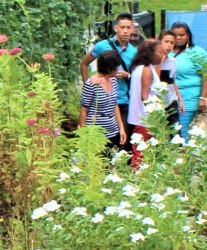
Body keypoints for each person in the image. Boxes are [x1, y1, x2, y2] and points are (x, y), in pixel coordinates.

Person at [81, 12, 138, 149]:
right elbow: (84, 63)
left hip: (123, 100)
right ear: (116, 28)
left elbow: (138, 75)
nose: (125, 31)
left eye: (128, 27)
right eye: (122, 27)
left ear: (132, 29)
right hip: (99, 102)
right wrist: (88, 84)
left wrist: (127, 75)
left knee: (123, 142)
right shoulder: (102, 46)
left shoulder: (134, 51)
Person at [127, 39, 166, 169]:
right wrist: (156, 111)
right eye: (160, 52)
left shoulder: (139, 68)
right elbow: (144, 96)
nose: (163, 55)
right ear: (150, 53)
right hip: (144, 118)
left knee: (140, 150)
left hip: (141, 118)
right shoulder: (146, 69)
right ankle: (137, 177)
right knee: (140, 152)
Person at [79, 50, 128, 149]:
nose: (118, 69)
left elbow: (115, 105)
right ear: (110, 68)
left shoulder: (113, 81)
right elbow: (84, 110)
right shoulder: (91, 84)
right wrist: (83, 135)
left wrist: (121, 128)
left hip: (112, 131)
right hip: (95, 132)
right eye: (117, 67)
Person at [170, 22, 207, 139]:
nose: (178, 38)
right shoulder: (167, 51)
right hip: (171, 98)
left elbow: (206, 76)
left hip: (189, 98)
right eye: (175, 35)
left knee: (182, 132)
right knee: (172, 132)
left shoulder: (197, 52)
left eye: (182, 35)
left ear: (188, 36)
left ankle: (185, 155)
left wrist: (203, 98)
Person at [159, 30, 185, 129]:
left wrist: (180, 100)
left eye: (172, 43)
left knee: (175, 132)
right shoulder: (152, 62)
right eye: (166, 42)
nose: (169, 45)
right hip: (157, 103)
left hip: (171, 100)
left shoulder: (172, 61)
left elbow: (172, 81)